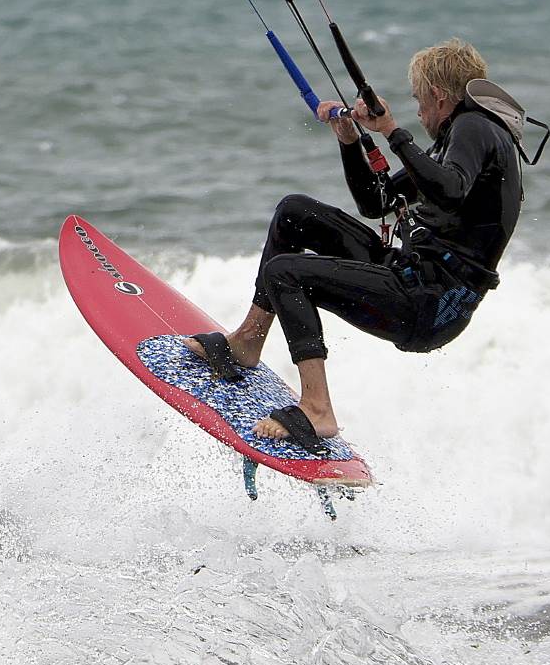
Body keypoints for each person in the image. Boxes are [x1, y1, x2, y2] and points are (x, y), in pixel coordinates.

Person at [182, 38, 524, 453]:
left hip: (429, 303)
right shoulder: (458, 139)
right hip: (409, 273)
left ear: (438, 94)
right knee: (295, 212)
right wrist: (349, 141)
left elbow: (449, 191)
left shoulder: (476, 127)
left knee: (284, 272)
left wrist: (393, 132)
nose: (418, 111)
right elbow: (376, 202)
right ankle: (247, 342)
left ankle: (316, 409)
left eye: (419, 100)